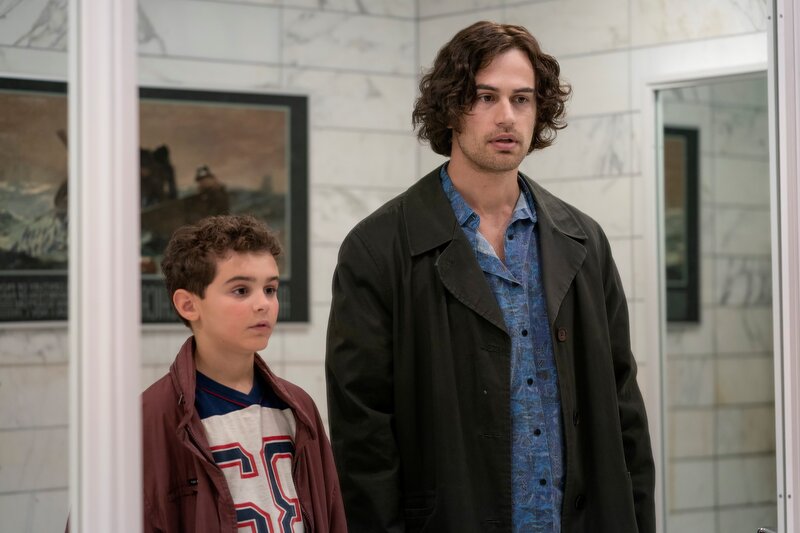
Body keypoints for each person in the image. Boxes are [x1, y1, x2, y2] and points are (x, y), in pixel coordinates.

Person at [325, 20, 655, 533]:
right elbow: (363, 438)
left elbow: (623, 406)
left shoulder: (583, 240)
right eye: (485, 97)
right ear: (450, 107)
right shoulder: (377, 248)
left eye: (522, 99)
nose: (507, 117)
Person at [143, 214, 346, 532]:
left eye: (270, 289)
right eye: (241, 290)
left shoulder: (299, 408)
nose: (263, 304)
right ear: (188, 305)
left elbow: (331, 516)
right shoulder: (151, 418)